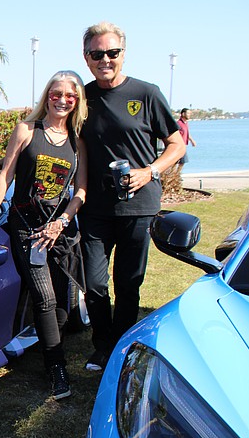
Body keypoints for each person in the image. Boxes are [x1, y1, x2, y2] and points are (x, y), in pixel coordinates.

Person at [0, 70, 88, 400]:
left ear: (77, 101)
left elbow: (81, 191)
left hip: (59, 229)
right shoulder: (26, 130)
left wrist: (62, 220)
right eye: (56, 93)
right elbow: (6, 174)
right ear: (47, 95)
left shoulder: (77, 142)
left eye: (70, 96)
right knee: (45, 298)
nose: (62, 100)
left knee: (63, 302)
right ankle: (56, 368)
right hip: (27, 228)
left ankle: (47, 343)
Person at [78, 22, 185, 371]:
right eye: (97, 54)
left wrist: (150, 171)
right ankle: (102, 343)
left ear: (123, 55)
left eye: (112, 53)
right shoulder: (83, 97)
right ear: (87, 57)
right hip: (95, 206)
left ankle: (119, 347)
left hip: (139, 206)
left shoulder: (147, 93)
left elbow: (176, 143)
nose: (105, 59)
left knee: (128, 283)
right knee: (93, 282)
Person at [174, 108, 197, 176]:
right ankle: (174, 175)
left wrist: (192, 141)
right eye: (188, 113)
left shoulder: (185, 123)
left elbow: (187, 133)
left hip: (183, 146)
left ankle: (176, 174)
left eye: (190, 114)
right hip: (178, 146)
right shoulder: (178, 123)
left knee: (182, 161)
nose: (189, 115)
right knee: (177, 162)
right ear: (183, 114)